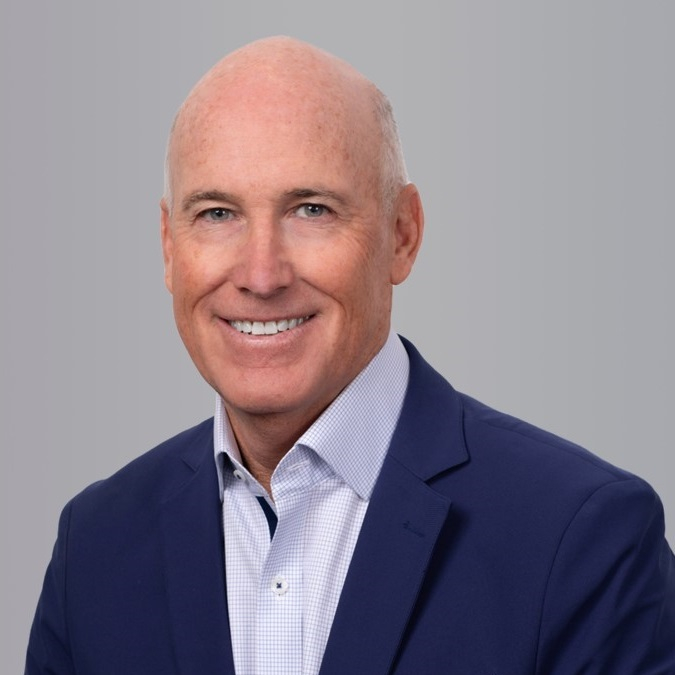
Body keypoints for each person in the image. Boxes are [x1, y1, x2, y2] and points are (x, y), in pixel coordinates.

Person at [26, 36, 675, 675]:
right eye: (218, 213)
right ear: (170, 248)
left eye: (311, 209)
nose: (261, 274)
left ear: (402, 234)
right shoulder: (95, 547)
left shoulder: (580, 537)